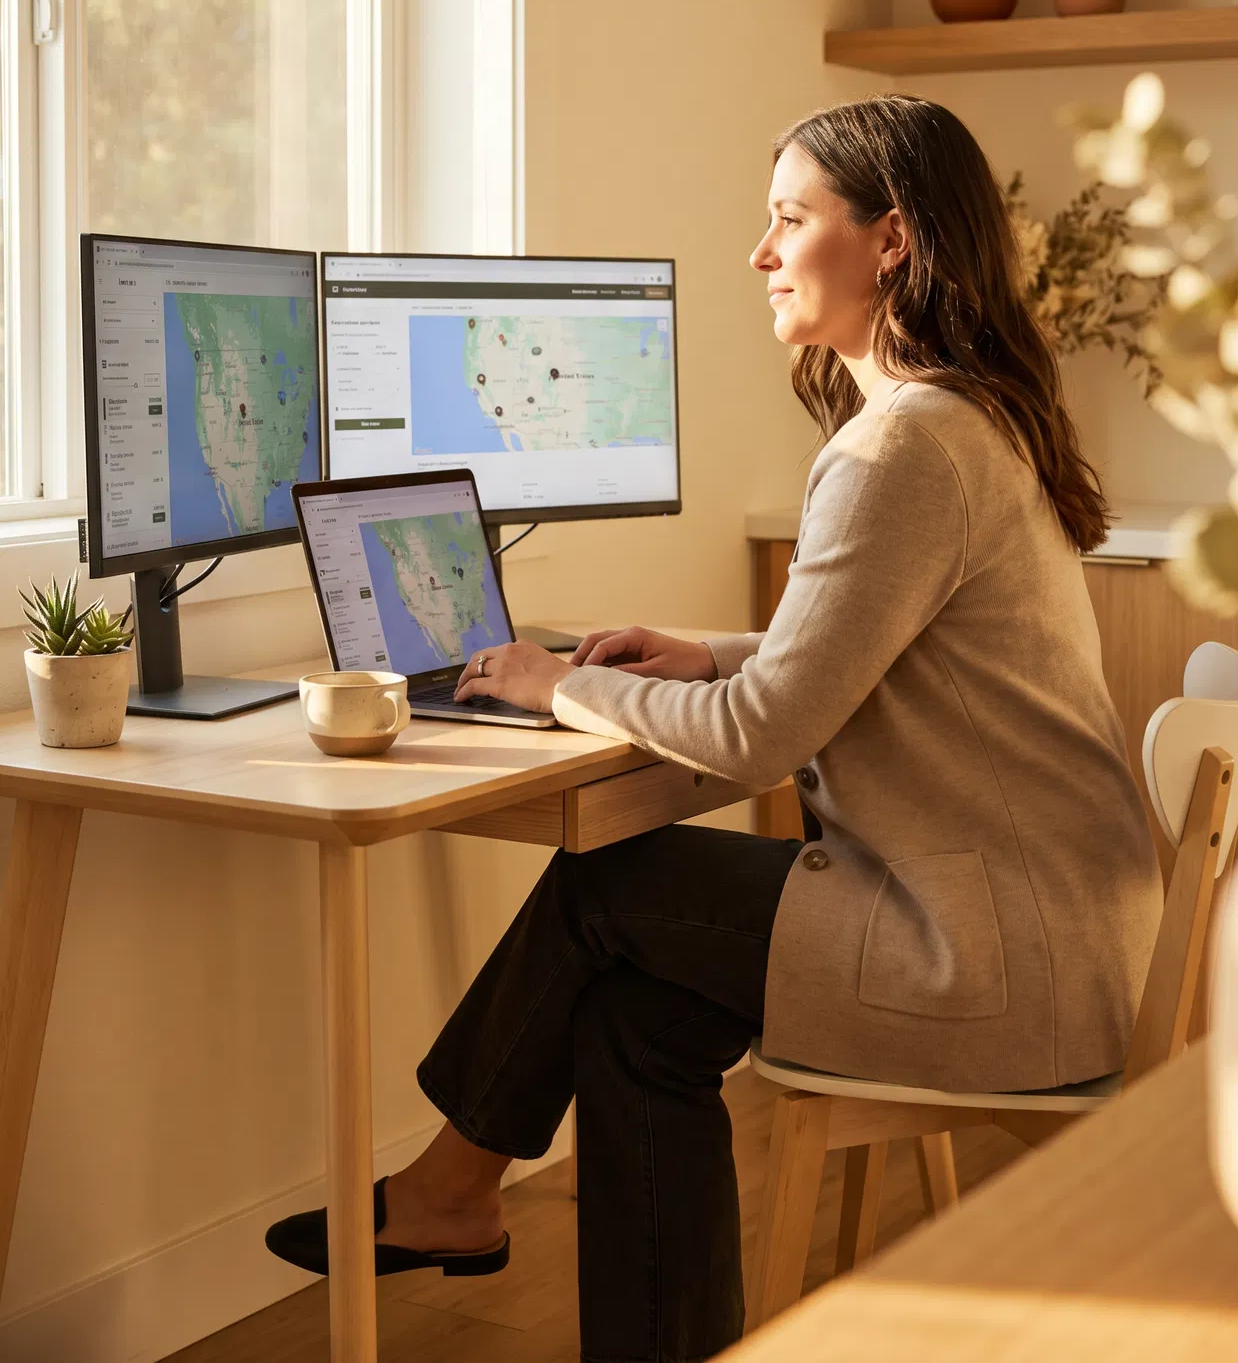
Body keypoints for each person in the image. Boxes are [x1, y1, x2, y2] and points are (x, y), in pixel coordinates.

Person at [267, 94, 1163, 1361]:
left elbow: (754, 738)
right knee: (633, 1023)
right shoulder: (967, 418)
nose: (758, 253)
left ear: (891, 239)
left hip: (989, 962)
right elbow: (876, 653)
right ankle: (485, 1216)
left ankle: (451, 1188)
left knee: (600, 888)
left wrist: (555, 682)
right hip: (1054, 935)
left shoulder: (902, 449)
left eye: (789, 219)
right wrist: (700, 653)